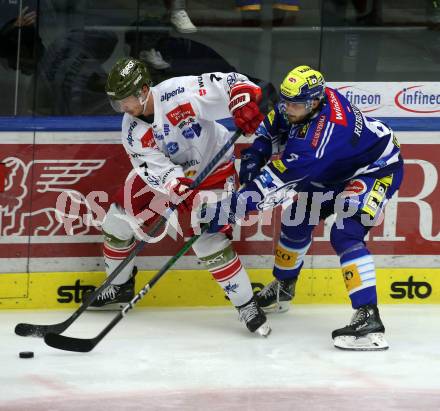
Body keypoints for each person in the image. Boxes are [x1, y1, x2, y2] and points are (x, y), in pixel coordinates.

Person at [206, 65, 403, 350]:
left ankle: (368, 316)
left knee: (346, 233)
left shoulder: (318, 140)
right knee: (296, 219)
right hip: (336, 168)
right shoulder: (305, 104)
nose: (287, 108)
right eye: (285, 100)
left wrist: (229, 209)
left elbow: (270, 185)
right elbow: (273, 122)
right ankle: (283, 287)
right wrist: (257, 152)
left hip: (375, 169)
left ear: (314, 103)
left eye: (294, 103)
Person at [89, 57, 270, 337]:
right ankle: (118, 286)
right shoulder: (132, 131)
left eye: (126, 100)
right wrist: (175, 185)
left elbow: (230, 83)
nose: (123, 109)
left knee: (208, 239)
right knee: (116, 221)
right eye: (117, 103)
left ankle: (247, 305)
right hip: (172, 175)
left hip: (215, 166)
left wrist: (241, 100)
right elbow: (153, 168)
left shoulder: (178, 91)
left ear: (144, 90)